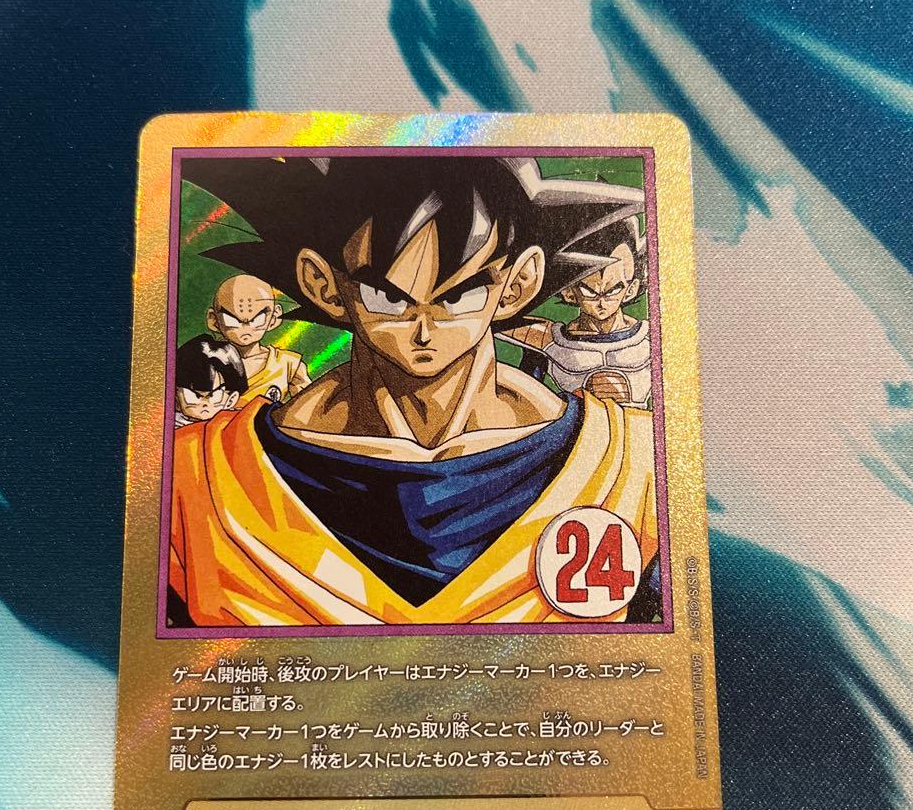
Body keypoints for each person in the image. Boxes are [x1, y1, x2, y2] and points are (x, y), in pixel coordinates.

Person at [168, 155, 658, 625]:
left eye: (460, 295)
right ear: (323, 285)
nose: (424, 329)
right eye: (387, 297)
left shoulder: (625, 462)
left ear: (517, 284)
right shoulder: (208, 475)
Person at [498, 217, 651, 407]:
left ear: (631, 289)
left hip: (638, 422)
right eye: (590, 292)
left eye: (613, 290)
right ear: (569, 292)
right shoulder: (548, 340)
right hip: (579, 421)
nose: (601, 302)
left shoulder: (649, 337)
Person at [207, 273, 311, 405]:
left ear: (274, 318)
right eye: (231, 320)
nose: (245, 328)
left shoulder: (288, 364)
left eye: (257, 319)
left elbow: (307, 408)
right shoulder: (207, 361)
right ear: (214, 320)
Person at [173, 333, 247, 428]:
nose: (204, 403)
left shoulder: (237, 423)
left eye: (213, 395)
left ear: (231, 400)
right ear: (176, 398)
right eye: (194, 396)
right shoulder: (168, 425)